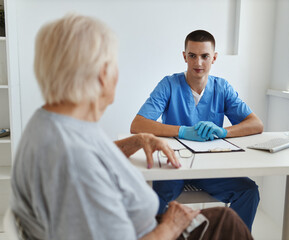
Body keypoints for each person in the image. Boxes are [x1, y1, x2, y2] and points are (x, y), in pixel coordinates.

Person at [10, 14, 253, 240]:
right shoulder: (71, 159)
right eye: (113, 64)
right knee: (228, 223)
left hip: (148, 220)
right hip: (156, 229)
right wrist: (171, 225)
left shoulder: (57, 124)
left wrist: (136, 141)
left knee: (233, 209)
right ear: (102, 75)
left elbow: (92, 156)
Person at [131, 30, 264, 231]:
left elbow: (256, 124)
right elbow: (138, 124)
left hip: (210, 167)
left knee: (249, 191)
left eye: (205, 56)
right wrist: (182, 131)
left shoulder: (222, 88)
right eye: (192, 55)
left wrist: (224, 132)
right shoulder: (169, 85)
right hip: (174, 165)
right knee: (152, 200)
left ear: (214, 58)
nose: (198, 63)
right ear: (184, 56)